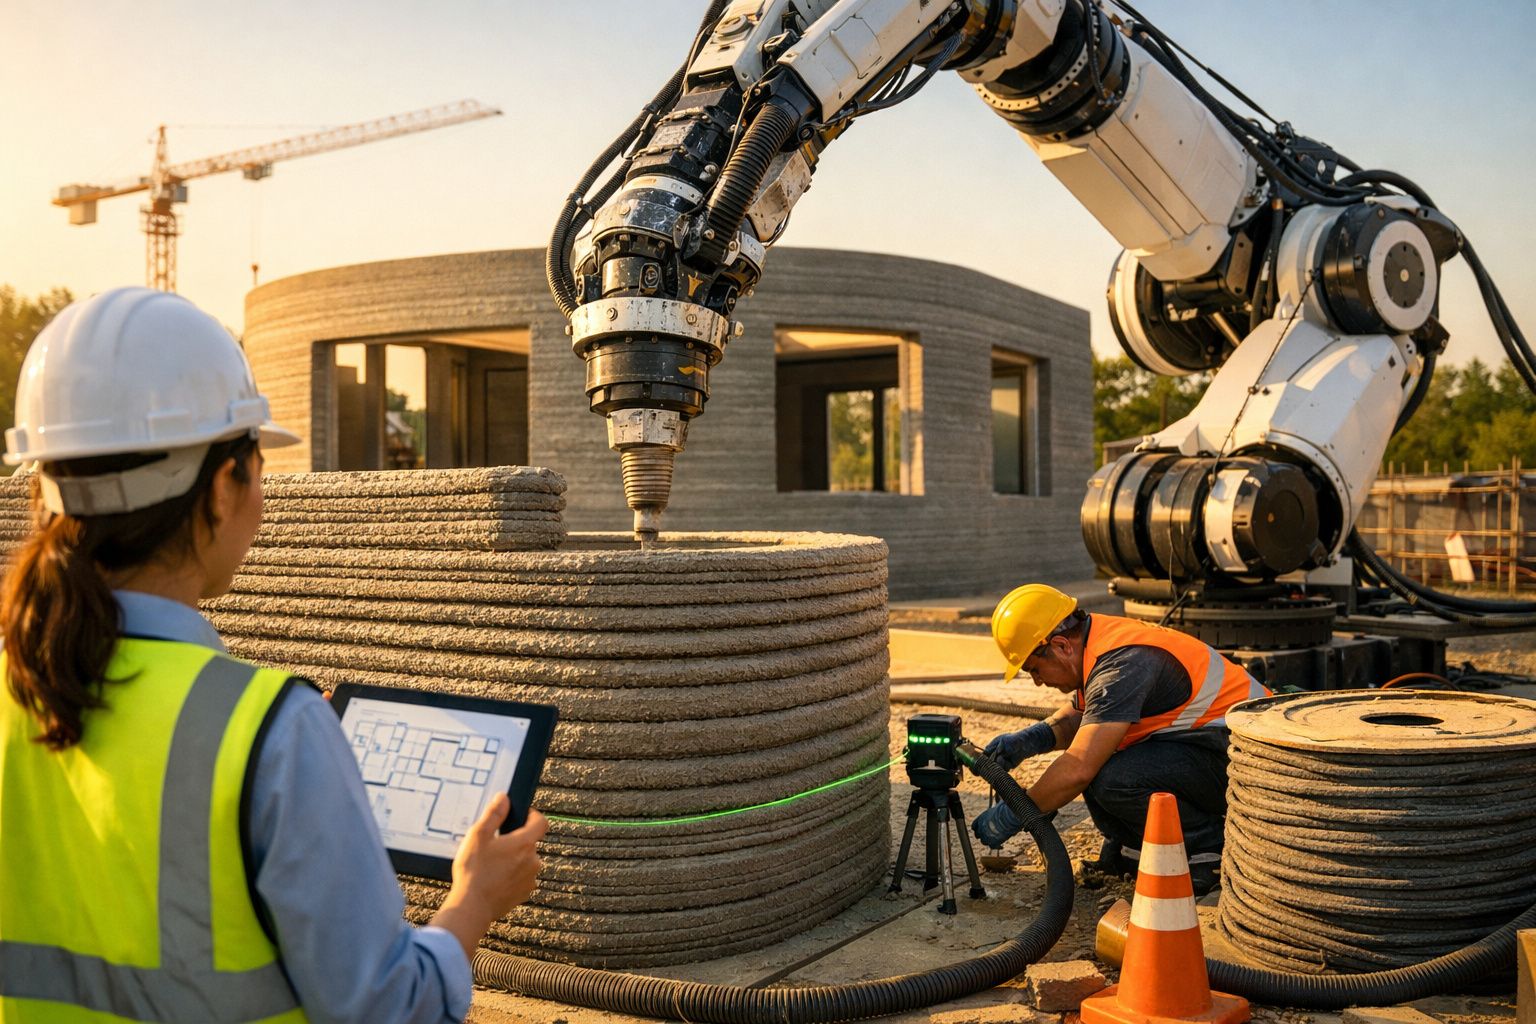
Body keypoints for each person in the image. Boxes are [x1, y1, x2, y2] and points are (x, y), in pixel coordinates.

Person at [0, 287, 547, 1022]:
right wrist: (474, 902)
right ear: (224, 487)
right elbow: (386, 1007)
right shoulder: (273, 731)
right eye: (256, 462)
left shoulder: (19, 680)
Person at [970, 583, 1269, 894]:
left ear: (1061, 646)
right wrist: (1033, 738)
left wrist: (1016, 812)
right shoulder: (1098, 642)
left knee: (1110, 775)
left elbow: (1078, 767)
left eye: (1034, 669)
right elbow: (1084, 718)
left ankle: (1205, 850)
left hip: (1245, 763)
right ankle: (1137, 849)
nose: (1037, 681)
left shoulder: (1123, 664)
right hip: (1213, 748)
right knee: (1103, 759)